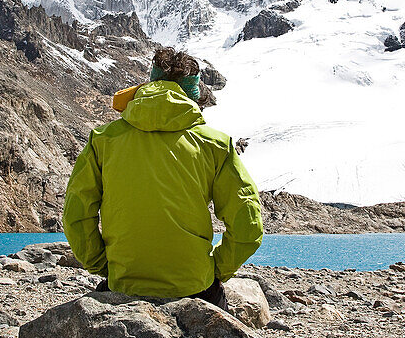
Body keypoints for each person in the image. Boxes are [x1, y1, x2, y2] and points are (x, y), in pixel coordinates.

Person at [62, 47, 263, 310]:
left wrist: (102, 264)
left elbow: (76, 215)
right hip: (194, 286)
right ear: (193, 98)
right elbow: (248, 223)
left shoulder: (103, 140)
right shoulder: (216, 145)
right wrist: (213, 270)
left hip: (123, 283)